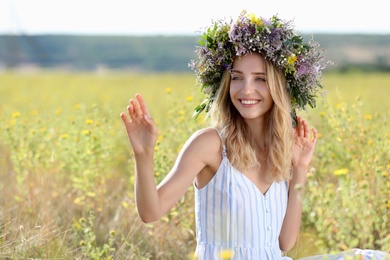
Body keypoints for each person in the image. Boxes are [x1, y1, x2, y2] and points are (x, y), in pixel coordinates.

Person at [121, 10, 328, 259]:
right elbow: (150, 213)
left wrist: (300, 167)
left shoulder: (282, 148)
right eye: (237, 78)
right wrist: (143, 154)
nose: (246, 89)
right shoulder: (209, 144)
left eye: (260, 79)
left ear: (279, 88)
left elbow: (284, 242)